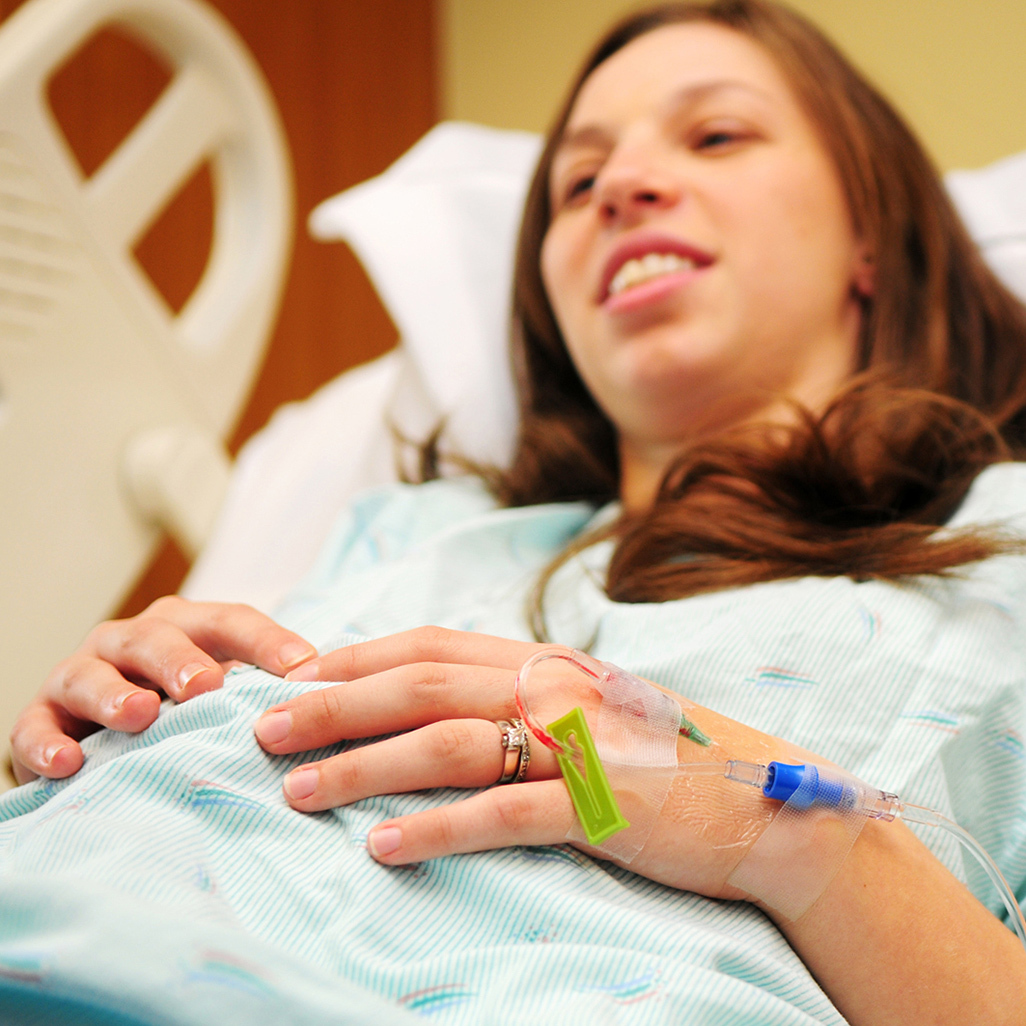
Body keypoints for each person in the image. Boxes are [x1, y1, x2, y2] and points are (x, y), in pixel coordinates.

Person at [4, 2, 1026, 1023]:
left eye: (717, 135)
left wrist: (774, 827)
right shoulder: (413, 529)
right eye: (579, 186)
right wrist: (108, 737)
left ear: (873, 238)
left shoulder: (1005, 556)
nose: (622, 187)